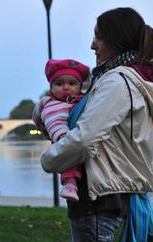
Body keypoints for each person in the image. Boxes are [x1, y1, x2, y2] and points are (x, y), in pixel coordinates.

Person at [38, 7, 153, 242]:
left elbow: (85, 138)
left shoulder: (116, 82)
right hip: (109, 194)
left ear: (115, 40)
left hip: (100, 197)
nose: (92, 45)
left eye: (98, 37)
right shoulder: (118, 79)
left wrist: (48, 159)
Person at [33, 59, 89, 201]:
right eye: (59, 84)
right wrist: (61, 136)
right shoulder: (52, 105)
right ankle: (69, 184)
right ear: (51, 88)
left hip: (81, 145)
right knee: (70, 163)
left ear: (80, 86)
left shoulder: (84, 101)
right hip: (65, 141)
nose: (65, 87)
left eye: (71, 83)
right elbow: (52, 121)